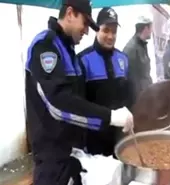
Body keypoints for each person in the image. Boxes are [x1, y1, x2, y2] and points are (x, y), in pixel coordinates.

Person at [25, 1, 133, 184]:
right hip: (52, 158)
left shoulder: (69, 51)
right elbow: (57, 104)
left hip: (73, 153)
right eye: (84, 23)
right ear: (70, 13)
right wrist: (110, 116)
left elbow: (78, 100)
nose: (86, 31)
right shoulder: (46, 45)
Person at [77, 8, 131, 157]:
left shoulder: (123, 59)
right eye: (106, 30)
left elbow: (128, 95)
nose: (110, 36)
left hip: (121, 137)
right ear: (96, 29)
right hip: (94, 139)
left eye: (114, 32)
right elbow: (78, 103)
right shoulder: (83, 60)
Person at [123, 16, 153, 107]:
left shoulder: (142, 45)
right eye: (151, 28)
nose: (152, 31)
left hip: (145, 97)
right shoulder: (131, 48)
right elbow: (132, 81)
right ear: (146, 28)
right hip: (138, 103)